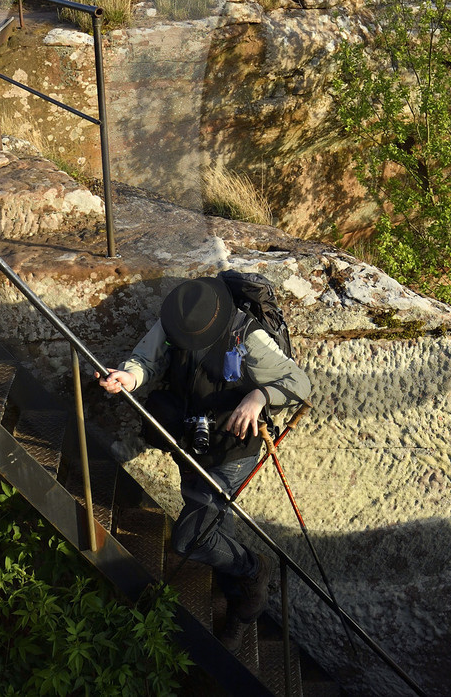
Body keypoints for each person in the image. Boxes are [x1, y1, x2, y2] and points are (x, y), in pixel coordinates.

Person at [97, 276, 311, 647]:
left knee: (190, 538)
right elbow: (146, 360)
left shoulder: (246, 335)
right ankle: (240, 610)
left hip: (232, 452)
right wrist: (128, 378)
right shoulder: (177, 319)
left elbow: (299, 382)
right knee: (217, 530)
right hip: (190, 443)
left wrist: (259, 397)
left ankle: (254, 570)